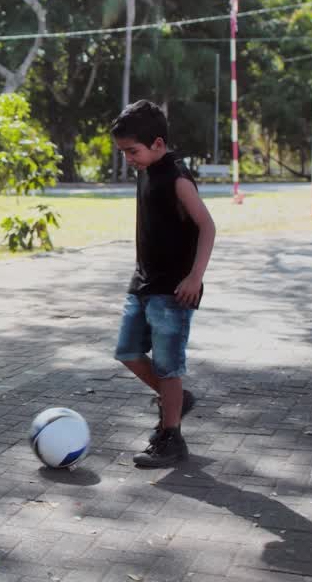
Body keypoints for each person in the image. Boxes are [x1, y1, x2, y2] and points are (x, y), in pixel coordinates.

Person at [110, 100, 217, 468]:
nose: (129, 159)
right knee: (127, 351)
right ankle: (176, 402)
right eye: (123, 153)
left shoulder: (177, 178)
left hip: (173, 290)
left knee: (169, 366)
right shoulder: (146, 171)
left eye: (132, 151)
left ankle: (172, 437)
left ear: (158, 144)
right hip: (142, 282)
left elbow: (207, 226)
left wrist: (195, 277)